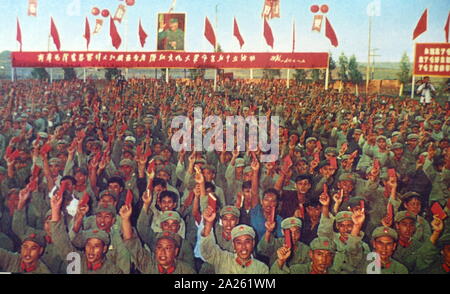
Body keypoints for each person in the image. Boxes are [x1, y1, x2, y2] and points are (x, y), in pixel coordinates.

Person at [120, 203, 196, 274]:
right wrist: (125, 219)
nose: (162, 252)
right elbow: (131, 243)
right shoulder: (149, 265)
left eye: (168, 248)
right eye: (159, 247)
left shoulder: (186, 271)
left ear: (176, 251)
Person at [200, 206, 269, 274]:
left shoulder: (261, 269)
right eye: (239, 242)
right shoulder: (223, 259)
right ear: (233, 244)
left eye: (247, 242)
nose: (243, 247)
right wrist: (209, 223)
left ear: (253, 243)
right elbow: (208, 250)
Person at [270, 237, 337, 274]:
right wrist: (281, 261)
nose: (324, 260)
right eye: (319, 254)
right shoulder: (297, 271)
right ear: (311, 254)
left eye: (328, 255)